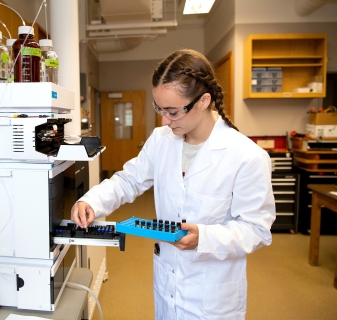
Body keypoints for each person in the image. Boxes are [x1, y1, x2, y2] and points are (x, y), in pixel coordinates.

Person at [71, 49, 276, 319]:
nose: (164, 120)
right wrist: (92, 201)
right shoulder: (162, 140)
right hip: (167, 278)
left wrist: (204, 238)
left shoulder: (246, 156)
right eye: (160, 109)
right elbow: (129, 180)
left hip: (212, 294)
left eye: (172, 111)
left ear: (204, 101)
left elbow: (256, 229)